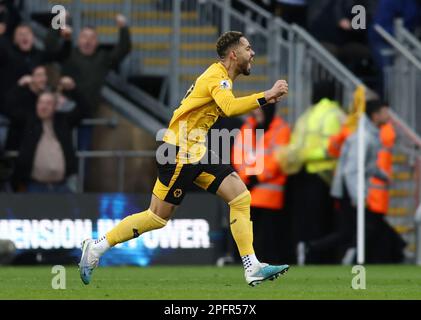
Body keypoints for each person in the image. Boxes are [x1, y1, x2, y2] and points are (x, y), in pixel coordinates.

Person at [78, 31, 290, 287]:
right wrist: (266, 95)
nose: (252, 52)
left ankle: (251, 266)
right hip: (179, 152)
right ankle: (96, 248)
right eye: (248, 48)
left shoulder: (220, 77)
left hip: (195, 150)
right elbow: (230, 108)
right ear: (234, 54)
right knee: (156, 217)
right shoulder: (217, 76)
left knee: (240, 196)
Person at [311, 100, 405, 264]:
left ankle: (313, 249)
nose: (388, 116)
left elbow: (367, 165)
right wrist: (358, 196)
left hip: (353, 188)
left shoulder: (371, 134)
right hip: (349, 189)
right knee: (363, 228)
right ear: (375, 115)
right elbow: (352, 171)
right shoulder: (363, 137)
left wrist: (382, 176)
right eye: (385, 112)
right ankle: (350, 256)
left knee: (352, 230)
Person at [46, 14, 131, 150]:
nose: (88, 41)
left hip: (87, 115)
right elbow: (50, 45)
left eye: (92, 38)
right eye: (84, 37)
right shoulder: (68, 54)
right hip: (66, 113)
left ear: (97, 42)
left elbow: (123, 50)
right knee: (61, 150)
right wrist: (59, 21)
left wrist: (123, 28)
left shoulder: (102, 58)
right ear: (78, 40)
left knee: (83, 154)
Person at [287, 81, 345, 264]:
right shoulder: (336, 115)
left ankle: (306, 253)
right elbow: (334, 148)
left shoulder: (306, 115)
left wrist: (303, 157)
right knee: (326, 221)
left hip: (303, 173)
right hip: (326, 175)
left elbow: (295, 145)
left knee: (309, 221)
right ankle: (322, 257)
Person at [232, 104, 293, 264]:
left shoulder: (281, 129)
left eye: (260, 109)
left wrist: (255, 177)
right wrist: (248, 177)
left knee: (267, 241)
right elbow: (238, 156)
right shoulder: (247, 128)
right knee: (249, 237)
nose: (256, 112)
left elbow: (277, 159)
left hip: (269, 196)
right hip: (249, 191)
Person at [12, 90, 85, 192]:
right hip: (34, 186)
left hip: (62, 186)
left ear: (55, 107)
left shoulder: (63, 121)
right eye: (40, 102)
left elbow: (83, 110)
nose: (43, 106)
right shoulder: (28, 120)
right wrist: (23, 88)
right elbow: (10, 107)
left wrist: (73, 90)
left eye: (48, 103)